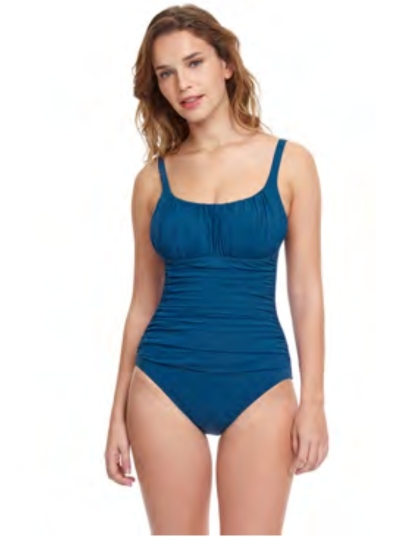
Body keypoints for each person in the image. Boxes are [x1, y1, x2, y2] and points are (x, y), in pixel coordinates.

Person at [104, 4, 328, 536]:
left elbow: (306, 291)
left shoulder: (291, 163)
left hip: (260, 381)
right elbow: (142, 301)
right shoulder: (152, 181)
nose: (183, 83)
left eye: (195, 62)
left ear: (226, 63)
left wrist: (314, 401)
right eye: (166, 73)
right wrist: (115, 413)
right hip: (162, 383)